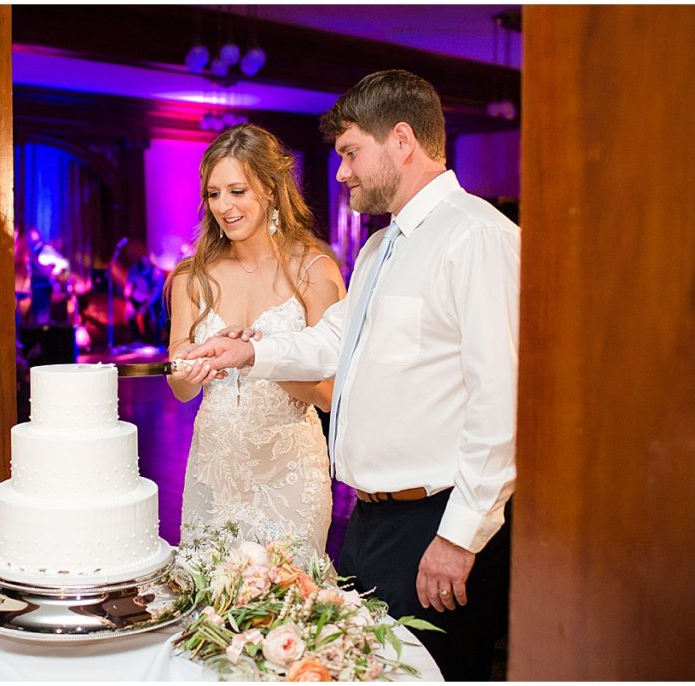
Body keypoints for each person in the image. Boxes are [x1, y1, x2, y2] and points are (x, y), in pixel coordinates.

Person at [185, 70, 519, 681]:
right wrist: (252, 351)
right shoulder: (379, 248)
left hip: (434, 523)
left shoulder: (475, 238)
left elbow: (503, 402)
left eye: (349, 153)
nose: (341, 173)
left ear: (400, 140)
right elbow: (335, 339)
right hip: (367, 524)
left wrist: (460, 537)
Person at [165, 123, 346, 559]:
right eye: (213, 194)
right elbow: (181, 387)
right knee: (210, 603)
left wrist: (260, 358)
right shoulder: (193, 277)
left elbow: (330, 397)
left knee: (291, 604)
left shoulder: (314, 272)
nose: (223, 207)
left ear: (269, 188)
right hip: (214, 466)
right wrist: (197, 361)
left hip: (289, 474)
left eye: (237, 191)